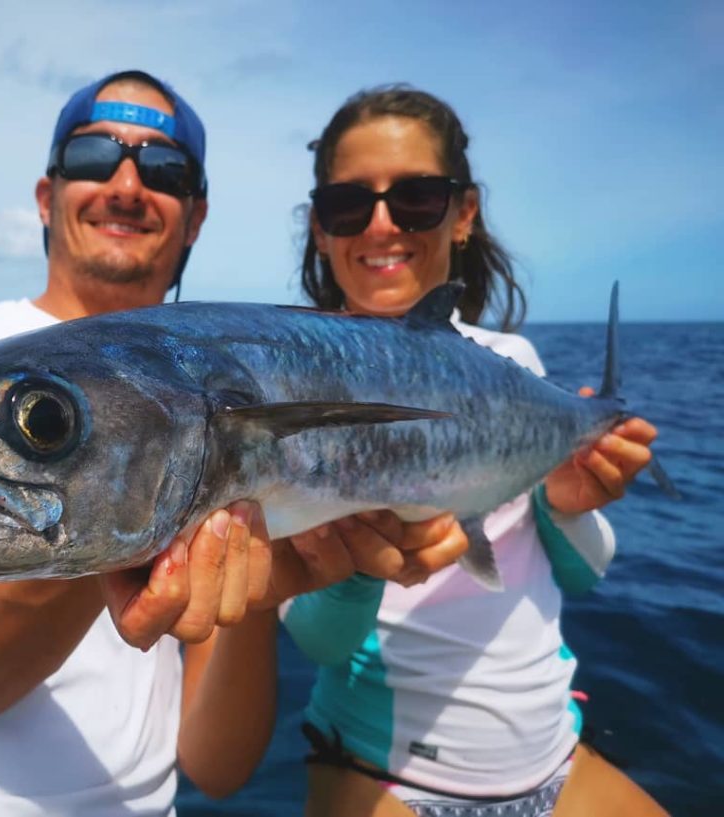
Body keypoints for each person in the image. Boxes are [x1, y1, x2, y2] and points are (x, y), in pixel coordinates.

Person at [0, 71, 466, 817]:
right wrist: (131, 502)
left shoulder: (234, 399)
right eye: (96, 156)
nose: (128, 184)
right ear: (48, 196)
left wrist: (257, 582)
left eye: (163, 169)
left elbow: (218, 766)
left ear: (195, 218)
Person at [280, 84, 669, 816]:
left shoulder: (511, 362)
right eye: (348, 205)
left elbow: (582, 578)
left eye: (417, 199)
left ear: (464, 214)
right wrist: (363, 565)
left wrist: (565, 505)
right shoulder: (295, 380)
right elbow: (322, 643)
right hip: (379, 774)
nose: (383, 224)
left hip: (556, 752)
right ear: (321, 229)